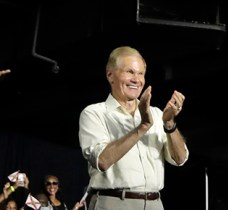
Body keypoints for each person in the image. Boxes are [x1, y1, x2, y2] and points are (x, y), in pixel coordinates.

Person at [78, 46, 189, 210]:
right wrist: (143, 127)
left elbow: (180, 159)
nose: (136, 79)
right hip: (114, 202)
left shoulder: (157, 114)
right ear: (110, 76)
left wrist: (169, 124)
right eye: (129, 72)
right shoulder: (94, 113)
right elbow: (102, 160)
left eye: (140, 73)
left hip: (155, 203)